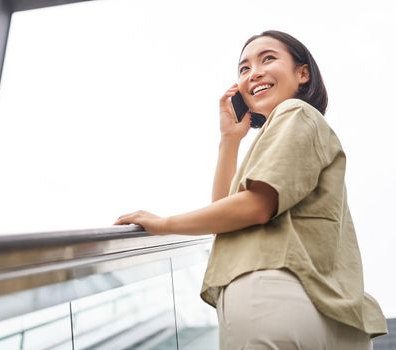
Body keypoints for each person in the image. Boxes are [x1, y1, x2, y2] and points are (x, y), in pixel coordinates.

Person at [113, 30, 388, 349]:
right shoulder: (298, 130)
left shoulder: (295, 113)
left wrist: (165, 224)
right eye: (243, 68)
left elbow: (255, 207)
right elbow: (228, 214)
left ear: (302, 73)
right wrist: (230, 140)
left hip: (273, 293)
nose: (253, 72)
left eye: (268, 58)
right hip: (337, 314)